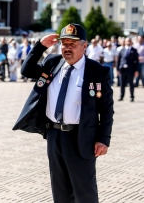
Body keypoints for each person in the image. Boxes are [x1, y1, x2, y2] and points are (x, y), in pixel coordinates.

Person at [13, 24, 114, 203]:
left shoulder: (97, 72)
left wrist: (103, 139)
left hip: (81, 138)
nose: (67, 48)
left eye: (72, 44)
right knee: (60, 190)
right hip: (54, 135)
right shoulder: (53, 63)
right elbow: (26, 70)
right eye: (64, 43)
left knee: (84, 192)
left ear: (84, 46)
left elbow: (106, 109)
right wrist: (40, 47)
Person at [117, 37, 139, 102]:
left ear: (131, 42)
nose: (128, 42)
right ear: (125, 42)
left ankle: (132, 97)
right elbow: (119, 60)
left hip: (130, 70)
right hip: (122, 69)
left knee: (131, 84)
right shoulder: (122, 50)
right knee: (122, 84)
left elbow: (136, 61)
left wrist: (136, 71)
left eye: (129, 41)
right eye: (127, 41)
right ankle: (121, 96)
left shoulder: (134, 50)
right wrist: (118, 69)